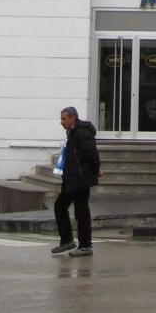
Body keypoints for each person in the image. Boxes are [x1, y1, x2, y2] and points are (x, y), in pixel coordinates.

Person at [52, 107, 100, 257]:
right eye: (61, 119)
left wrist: (96, 170)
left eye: (64, 119)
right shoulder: (72, 132)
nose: (61, 122)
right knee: (60, 206)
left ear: (72, 118)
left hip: (80, 178)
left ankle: (85, 245)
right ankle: (67, 240)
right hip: (71, 178)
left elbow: (92, 154)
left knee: (81, 211)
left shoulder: (82, 132)